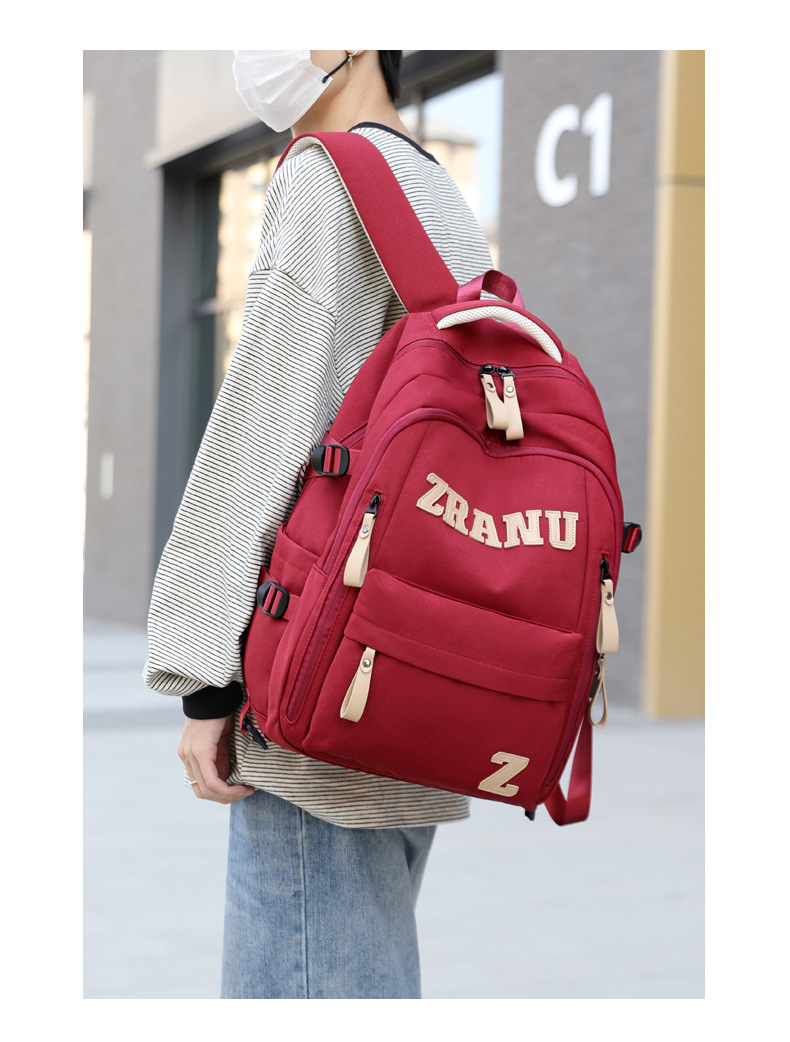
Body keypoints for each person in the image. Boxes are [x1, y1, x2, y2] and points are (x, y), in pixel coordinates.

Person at [144, 50, 493, 999]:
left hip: (319, 690)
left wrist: (204, 675)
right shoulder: (436, 193)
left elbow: (267, 420)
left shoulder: (327, 174)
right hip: (415, 675)